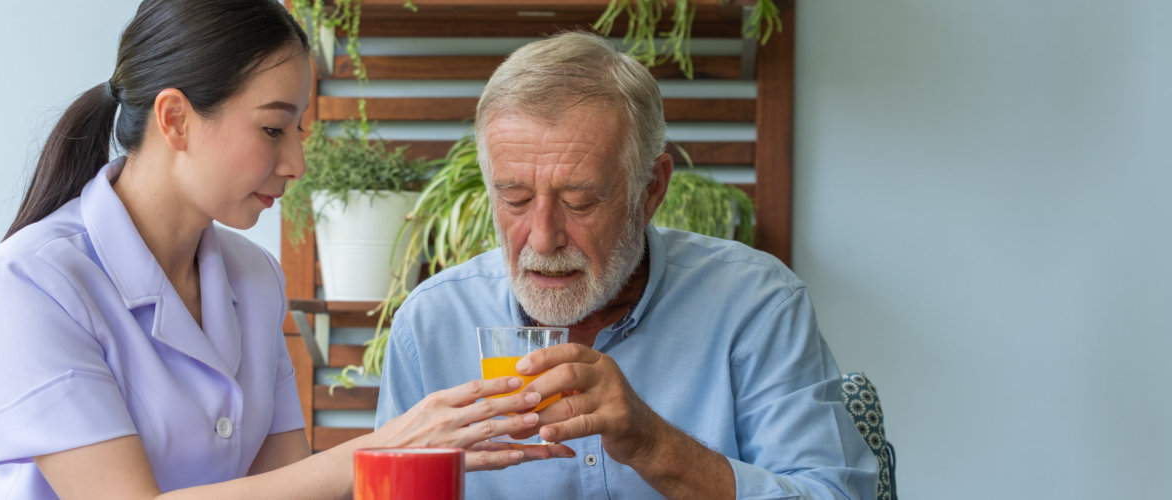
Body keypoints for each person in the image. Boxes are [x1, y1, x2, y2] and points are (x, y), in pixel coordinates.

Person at [0, 2, 565, 498]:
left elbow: (287, 483)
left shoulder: (253, 277)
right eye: (273, 129)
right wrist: (389, 445)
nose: (296, 163)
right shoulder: (32, 284)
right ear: (175, 120)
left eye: (299, 131)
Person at [373, 32, 880, 499]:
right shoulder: (431, 323)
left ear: (651, 188)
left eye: (580, 201)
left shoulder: (756, 302)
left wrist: (653, 443)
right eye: (516, 198)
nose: (543, 239)